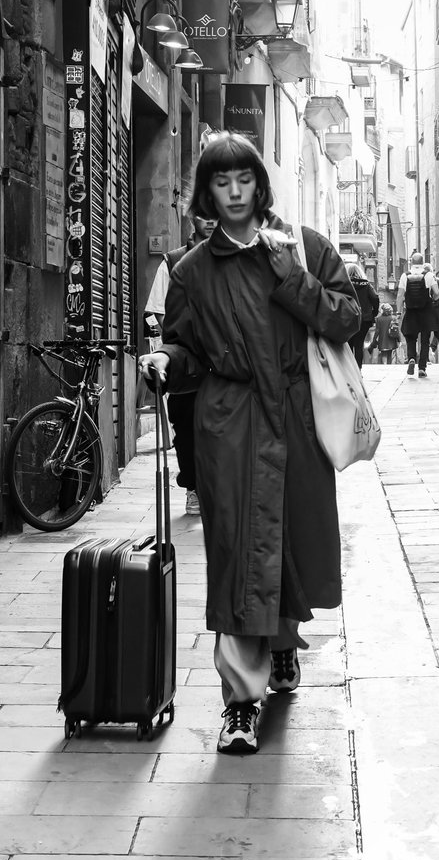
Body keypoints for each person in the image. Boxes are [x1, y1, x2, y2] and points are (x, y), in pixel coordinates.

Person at [138, 132, 361, 756]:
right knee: (238, 553)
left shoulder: (305, 249)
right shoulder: (190, 270)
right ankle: (240, 702)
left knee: (287, 541)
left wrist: (296, 280)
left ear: (260, 186)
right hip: (229, 422)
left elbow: (348, 319)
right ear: (206, 192)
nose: (234, 193)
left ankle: (284, 645)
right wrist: (163, 360)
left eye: (243, 181)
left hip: (296, 417)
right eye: (220, 182)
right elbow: (186, 351)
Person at [144, 213, 217, 515]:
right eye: (203, 211)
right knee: (186, 432)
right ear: (191, 216)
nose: (211, 218)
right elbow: (159, 313)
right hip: (188, 367)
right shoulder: (174, 262)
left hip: (226, 371)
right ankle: (193, 487)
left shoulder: (241, 258)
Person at [396, 251, 439, 378]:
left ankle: (411, 358)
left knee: (410, 337)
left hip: (410, 311)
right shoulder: (429, 275)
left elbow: (400, 296)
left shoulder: (405, 276)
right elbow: (436, 293)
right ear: (422, 263)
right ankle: (422, 368)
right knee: (425, 340)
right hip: (425, 312)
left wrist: (398, 312)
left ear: (411, 263)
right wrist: (433, 300)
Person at [346, 264, 380, 369]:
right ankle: (358, 369)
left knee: (348, 344)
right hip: (364, 319)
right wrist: (373, 313)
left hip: (348, 318)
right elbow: (375, 298)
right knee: (359, 344)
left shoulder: (345, 284)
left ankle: (350, 370)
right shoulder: (366, 285)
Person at [423, 263, 439, 356]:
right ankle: (432, 348)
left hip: (424, 310)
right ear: (432, 271)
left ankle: (426, 352)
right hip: (436, 310)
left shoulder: (421, 281)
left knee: (425, 331)